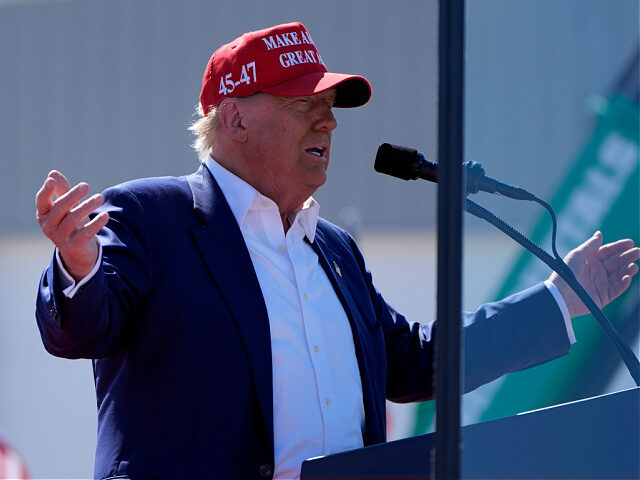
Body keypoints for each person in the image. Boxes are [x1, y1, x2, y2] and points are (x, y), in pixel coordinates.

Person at [34, 22, 639, 480]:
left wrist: (558, 300)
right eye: (305, 106)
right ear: (236, 120)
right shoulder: (153, 216)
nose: (328, 124)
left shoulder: (334, 250)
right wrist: (80, 268)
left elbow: (414, 361)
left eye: (330, 110)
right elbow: (83, 327)